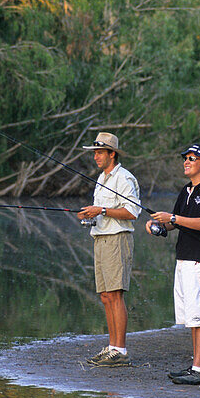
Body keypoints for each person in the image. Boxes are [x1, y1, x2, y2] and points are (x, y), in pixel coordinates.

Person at [145, 143, 200, 385]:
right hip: (184, 258)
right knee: (192, 316)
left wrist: (173, 218)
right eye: (185, 158)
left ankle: (199, 371)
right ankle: (195, 367)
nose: (186, 162)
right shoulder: (186, 190)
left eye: (192, 158)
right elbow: (175, 223)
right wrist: (159, 225)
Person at [77, 132, 141, 367]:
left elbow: (133, 213)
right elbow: (101, 210)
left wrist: (101, 210)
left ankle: (121, 350)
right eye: (94, 153)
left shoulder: (124, 178)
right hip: (100, 238)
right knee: (105, 296)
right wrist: (90, 214)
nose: (95, 157)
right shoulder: (102, 178)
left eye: (99, 152)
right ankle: (112, 347)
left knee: (115, 294)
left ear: (112, 154)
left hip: (117, 239)